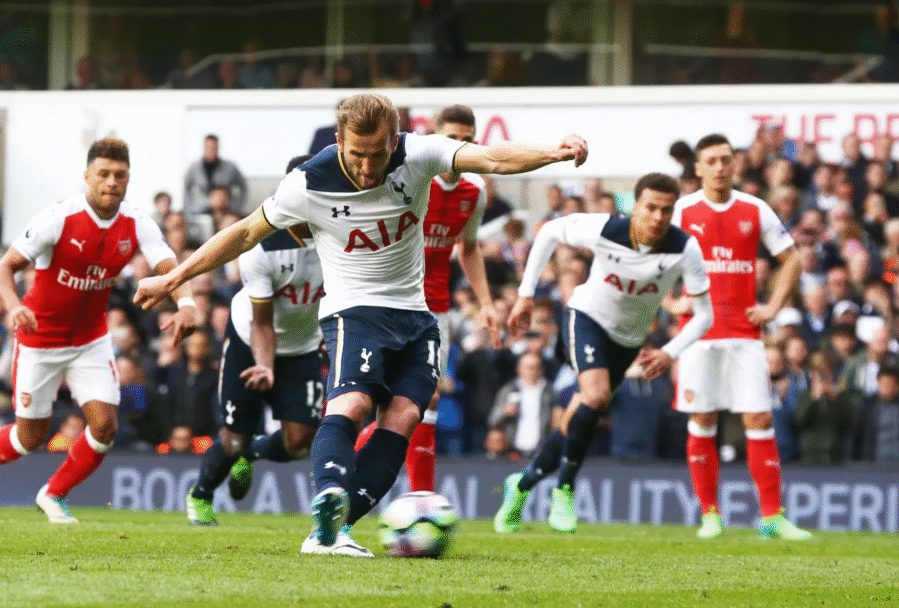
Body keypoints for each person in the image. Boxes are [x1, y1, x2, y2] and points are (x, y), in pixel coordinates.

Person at [134, 92, 588, 556]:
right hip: (354, 311)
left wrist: (552, 151)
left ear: (394, 140)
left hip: (417, 314)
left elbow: (489, 156)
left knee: (406, 416)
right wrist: (174, 277)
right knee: (352, 403)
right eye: (357, 154)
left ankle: (334, 528)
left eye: (378, 154)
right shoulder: (310, 180)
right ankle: (328, 491)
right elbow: (244, 232)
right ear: (338, 140)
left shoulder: (418, 153)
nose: (368, 168)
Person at [0, 138, 197, 523]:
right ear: (87, 176)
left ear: (128, 179)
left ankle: (53, 494)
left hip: (90, 341)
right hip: (39, 340)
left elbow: (171, 269)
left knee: (105, 427)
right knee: (31, 438)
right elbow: (2, 270)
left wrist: (187, 304)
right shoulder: (57, 218)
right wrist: (15, 305)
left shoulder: (137, 223)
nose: (111, 182)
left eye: (119, 175)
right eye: (102, 174)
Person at [493, 172, 713, 534]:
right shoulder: (606, 229)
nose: (658, 217)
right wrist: (526, 294)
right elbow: (548, 231)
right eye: (651, 208)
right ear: (636, 207)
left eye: (666, 210)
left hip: (628, 341)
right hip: (587, 318)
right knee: (593, 396)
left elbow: (704, 315)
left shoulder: (684, 248)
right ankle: (564, 490)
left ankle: (521, 485)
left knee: (580, 415)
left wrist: (670, 352)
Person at [668, 133, 812, 540]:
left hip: (745, 331)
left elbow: (792, 259)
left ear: (735, 164)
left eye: (725, 159)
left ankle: (771, 516)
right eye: (711, 160)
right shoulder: (682, 211)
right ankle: (710, 514)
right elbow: (646, 257)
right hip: (698, 333)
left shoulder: (754, 208)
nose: (719, 167)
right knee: (703, 418)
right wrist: (669, 301)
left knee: (760, 417)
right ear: (697, 168)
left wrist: (773, 307)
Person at [353, 104, 500, 492]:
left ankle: (421, 497)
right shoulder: (411, 177)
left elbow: (468, 248)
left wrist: (485, 303)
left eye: (467, 139)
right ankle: (344, 460)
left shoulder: (476, 190)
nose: (459, 146)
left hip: (435, 305)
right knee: (384, 403)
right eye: (451, 138)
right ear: (434, 139)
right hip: (388, 296)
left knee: (428, 398)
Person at [186, 155, 329, 527]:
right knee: (234, 439)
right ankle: (200, 495)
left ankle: (253, 456)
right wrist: (264, 365)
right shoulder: (263, 247)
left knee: (299, 442)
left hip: (303, 346)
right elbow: (262, 323)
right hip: (251, 338)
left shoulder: (344, 238)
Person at [183, 134, 248, 241]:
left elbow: (243, 187)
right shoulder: (194, 167)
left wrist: (237, 207)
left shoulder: (230, 167)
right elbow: (186, 190)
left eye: (214, 147)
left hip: (226, 210)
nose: (211, 150)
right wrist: (190, 208)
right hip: (202, 210)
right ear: (203, 147)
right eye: (208, 147)